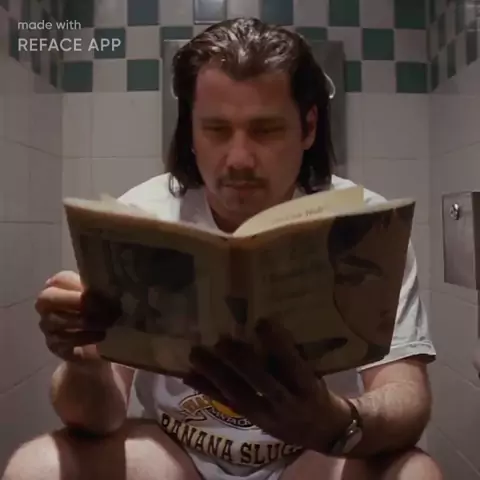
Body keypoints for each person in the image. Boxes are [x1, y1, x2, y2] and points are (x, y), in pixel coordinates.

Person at [2, 17, 442, 480]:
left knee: (416, 474)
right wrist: (85, 363)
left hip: (314, 456)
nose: (238, 159)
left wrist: (336, 422)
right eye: (215, 129)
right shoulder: (139, 218)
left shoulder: (364, 225)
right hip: (175, 457)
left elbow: (406, 395)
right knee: (36, 468)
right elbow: (99, 418)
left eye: (265, 130)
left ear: (308, 127)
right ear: (190, 131)